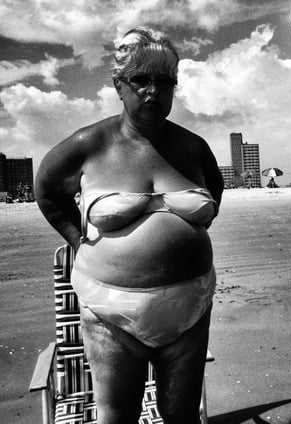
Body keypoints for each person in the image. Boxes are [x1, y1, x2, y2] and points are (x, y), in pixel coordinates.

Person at [35, 27, 223, 424]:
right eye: (140, 80)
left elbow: (215, 194)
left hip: (190, 308)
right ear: (119, 85)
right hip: (111, 312)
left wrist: (184, 238)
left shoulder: (194, 147)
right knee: (117, 418)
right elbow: (47, 192)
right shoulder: (88, 144)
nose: (153, 91)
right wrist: (77, 240)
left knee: (182, 416)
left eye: (164, 81)